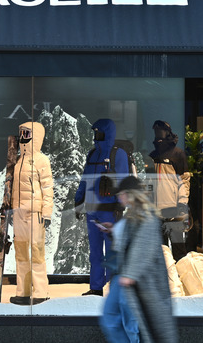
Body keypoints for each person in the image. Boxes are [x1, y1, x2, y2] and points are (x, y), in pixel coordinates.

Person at [99, 176, 177, 343]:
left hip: (135, 280)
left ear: (129, 194)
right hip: (125, 277)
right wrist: (113, 231)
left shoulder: (146, 215)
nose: (119, 197)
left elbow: (144, 245)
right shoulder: (133, 214)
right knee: (119, 320)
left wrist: (130, 275)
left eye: (121, 194)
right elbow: (130, 241)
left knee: (128, 322)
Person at [74, 118, 130, 296]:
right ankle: (96, 287)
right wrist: (78, 200)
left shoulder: (117, 154)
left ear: (107, 132)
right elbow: (84, 179)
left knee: (112, 252)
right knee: (95, 252)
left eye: (98, 132)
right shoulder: (92, 154)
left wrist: (120, 206)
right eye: (94, 132)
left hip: (109, 212)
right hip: (92, 211)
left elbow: (124, 182)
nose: (95, 136)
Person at [9, 122, 54, 306]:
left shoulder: (42, 160)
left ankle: (41, 292)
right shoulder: (18, 160)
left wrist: (47, 212)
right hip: (19, 211)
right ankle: (23, 291)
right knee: (21, 253)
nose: (23, 137)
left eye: (27, 134)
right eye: (21, 133)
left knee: (36, 252)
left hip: (35, 212)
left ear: (36, 136)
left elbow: (48, 187)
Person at [148, 120, 191, 260]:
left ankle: (182, 278)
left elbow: (184, 180)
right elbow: (148, 183)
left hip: (173, 209)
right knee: (160, 252)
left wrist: (182, 204)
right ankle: (165, 280)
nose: (157, 134)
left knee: (179, 250)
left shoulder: (178, 154)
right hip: (156, 210)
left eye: (160, 131)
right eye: (156, 131)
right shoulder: (152, 156)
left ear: (167, 133)